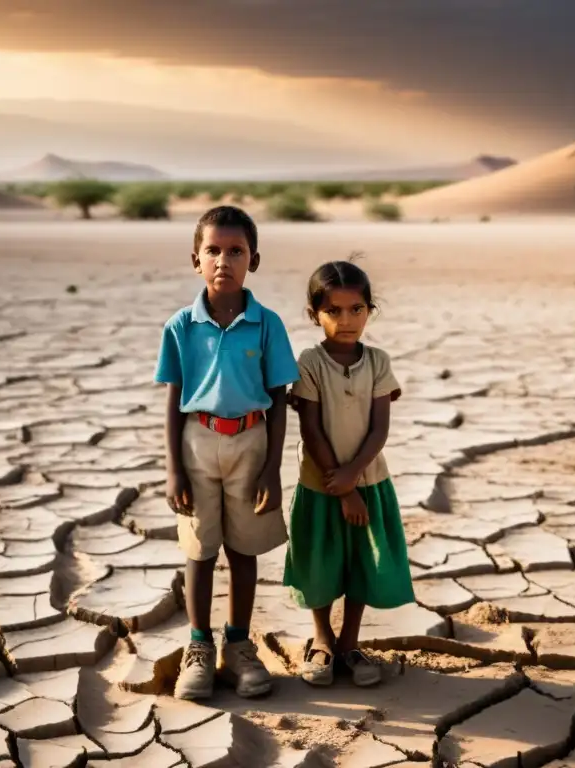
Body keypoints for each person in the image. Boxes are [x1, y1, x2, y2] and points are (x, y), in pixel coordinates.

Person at [154, 205, 300, 700]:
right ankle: (199, 645)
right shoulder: (180, 326)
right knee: (199, 549)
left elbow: (279, 397)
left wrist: (273, 468)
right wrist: (174, 468)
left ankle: (238, 646)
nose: (224, 260)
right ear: (195, 259)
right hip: (197, 441)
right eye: (213, 250)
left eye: (235, 251)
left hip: (251, 443)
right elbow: (174, 399)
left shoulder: (267, 325)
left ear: (253, 260)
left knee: (243, 549)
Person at [283, 260, 415, 687]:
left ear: (369, 310)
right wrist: (340, 488)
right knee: (320, 563)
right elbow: (311, 429)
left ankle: (349, 644)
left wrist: (354, 479)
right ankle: (321, 640)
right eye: (333, 311)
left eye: (356, 309)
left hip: (369, 482)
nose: (346, 320)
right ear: (314, 314)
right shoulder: (309, 362)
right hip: (320, 485)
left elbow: (379, 429)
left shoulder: (378, 361)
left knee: (361, 560)